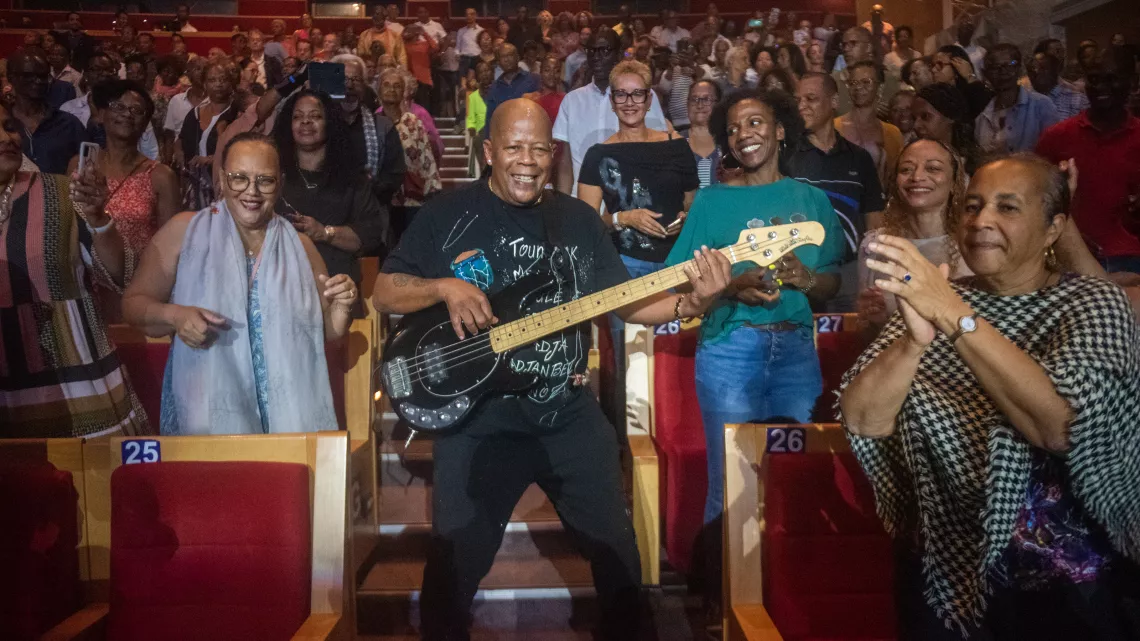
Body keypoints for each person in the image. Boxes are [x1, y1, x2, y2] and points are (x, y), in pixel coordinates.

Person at [372, 97, 731, 641]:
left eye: (540, 148)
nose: (528, 160)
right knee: (453, 568)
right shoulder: (446, 214)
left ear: (553, 153)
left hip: (565, 411)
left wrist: (693, 304)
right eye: (514, 147)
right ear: (488, 151)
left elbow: (625, 303)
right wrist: (442, 286)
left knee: (620, 564)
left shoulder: (579, 220)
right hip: (479, 423)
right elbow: (383, 291)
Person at [840, 153, 1140, 641]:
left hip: (1067, 584)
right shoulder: (940, 298)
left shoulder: (1092, 302)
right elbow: (862, 419)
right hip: (944, 570)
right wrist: (914, 343)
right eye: (974, 206)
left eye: (1007, 208)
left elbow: (1060, 428)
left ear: (1053, 228)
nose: (982, 221)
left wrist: (956, 318)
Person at [666, 89, 844, 595]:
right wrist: (732, 286)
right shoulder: (712, 200)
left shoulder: (811, 199)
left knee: (797, 478)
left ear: (781, 129)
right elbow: (677, 278)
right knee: (732, 481)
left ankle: (791, 596)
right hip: (730, 348)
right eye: (735, 128)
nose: (745, 134)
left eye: (756, 122)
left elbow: (832, 280)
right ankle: (722, 600)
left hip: (795, 354)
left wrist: (807, 280)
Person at [123, 132, 354, 435]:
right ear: (221, 178)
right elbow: (133, 304)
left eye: (265, 180)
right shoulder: (184, 231)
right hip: (208, 412)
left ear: (280, 183)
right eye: (239, 178)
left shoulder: (301, 247)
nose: (252, 191)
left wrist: (341, 307)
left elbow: (328, 332)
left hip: (291, 418)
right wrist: (175, 316)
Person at [0, 102, 150, 438]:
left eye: (9, 126)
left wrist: (98, 219)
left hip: (78, 387)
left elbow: (119, 273)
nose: (5, 137)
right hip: (5, 392)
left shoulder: (58, 193)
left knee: (97, 485)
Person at [788, 72, 885, 312]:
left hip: (850, 276)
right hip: (800, 274)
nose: (802, 106)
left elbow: (874, 223)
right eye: (798, 100)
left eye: (811, 99)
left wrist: (874, 273)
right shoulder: (784, 156)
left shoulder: (859, 159)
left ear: (833, 102)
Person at [273, 90, 386, 292]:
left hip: (335, 287)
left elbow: (370, 235)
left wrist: (324, 233)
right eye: (298, 117)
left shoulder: (352, 178)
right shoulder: (273, 175)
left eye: (315, 116)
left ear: (329, 123)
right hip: (280, 284)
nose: (305, 122)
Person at [857, 139, 971, 330]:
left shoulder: (972, 245)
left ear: (954, 182)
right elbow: (864, 333)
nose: (917, 177)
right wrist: (873, 320)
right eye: (906, 170)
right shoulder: (875, 245)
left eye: (933, 168)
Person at [1036, 64, 1140, 274]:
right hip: (1071, 256)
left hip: (1132, 257)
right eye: (1094, 80)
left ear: (1130, 84)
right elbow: (1036, 195)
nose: (1101, 87)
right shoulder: (1057, 136)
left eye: (1111, 79)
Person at [554, 28, 667, 196]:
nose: (597, 58)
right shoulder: (572, 101)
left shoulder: (639, 98)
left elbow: (658, 149)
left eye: (604, 50)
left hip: (630, 200)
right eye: (592, 51)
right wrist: (563, 202)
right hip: (583, 201)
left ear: (619, 54)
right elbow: (565, 161)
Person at [75, 80, 179, 255]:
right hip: (83, 274)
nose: (127, 114)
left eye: (137, 110)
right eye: (118, 107)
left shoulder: (160, 176)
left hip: (137, 276)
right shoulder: (81, 165)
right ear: (101, 115)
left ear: (146, 123)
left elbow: (171, 246)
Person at [379, 69, 441, 241]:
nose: (391, 90)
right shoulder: (373, 121)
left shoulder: (413, 123)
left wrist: (432, 193)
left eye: (397, 86)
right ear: (379, 90)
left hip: (411, 198)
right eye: (387, 85)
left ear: (403, 92)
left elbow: (427, 159)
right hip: (381, 200)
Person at [9, 49, 87, 175]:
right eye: (28, 75)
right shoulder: (4, 123)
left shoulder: (69, 123)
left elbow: (86, 168)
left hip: (59, 193)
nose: (38, 81)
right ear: (11, 77)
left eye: (43, 76)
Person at [178, 59, 240, 210]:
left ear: (231, 84)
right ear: (205, 84)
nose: (218, 84)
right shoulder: (194, 114)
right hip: (195, 185)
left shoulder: (237, 114)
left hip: (224, 187)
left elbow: (238, 152)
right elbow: (180, 141)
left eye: (223, 79)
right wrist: (182, 163)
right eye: (212, 80)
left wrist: (211, 159)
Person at [975, 44, 1059, 155]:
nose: (1003, 72)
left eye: (1010, 65)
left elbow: (1054, 151)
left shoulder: (1041, 105)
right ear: (986, 74)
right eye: (995, 67)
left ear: (1019, 69)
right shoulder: (983, 117)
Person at [834, 60, 905, 187]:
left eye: (866, 82)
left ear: (880, 87)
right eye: (853, 83)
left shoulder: (892, 133)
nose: (858, 87)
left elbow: (895, 177)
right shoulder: (834, 127)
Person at [914, 83, 980, 175]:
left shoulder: (976, 166)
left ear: (950, 116)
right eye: (914, 118)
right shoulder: (911, 162)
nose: (916, 125)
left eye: (925, 117)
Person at [833, 27, 900, 115]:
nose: (846, 49)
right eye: (844, 45)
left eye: (853, 43)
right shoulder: (834, 81)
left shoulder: (888, 79)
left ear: (869, 47)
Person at [481, 43, 540, 139]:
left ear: (517, 57)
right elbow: (490, 120)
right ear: (498, 62)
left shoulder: (534, 80)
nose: (507, 59)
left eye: (510, 55)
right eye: (503, 57)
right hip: (504, 140)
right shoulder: (494, 88)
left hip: (530, 138)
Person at [163, 56, 206, 164]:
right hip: (181, 160)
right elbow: (170, 134)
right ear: (188, 73)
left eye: (205, 69)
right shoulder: (176, 101)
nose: (202, 72)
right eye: (197, 68)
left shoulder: (214, 102)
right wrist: (168, 161)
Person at [1028, 52, 1090, 120]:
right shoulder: (1025, 101)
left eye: (1042, 68)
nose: (1037, 72)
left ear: (1055, 71)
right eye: (1032, 69)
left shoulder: (1077, 99)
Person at [659, 38, 704, 132]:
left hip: (695, 121)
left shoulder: (698, 69)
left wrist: (691, 65)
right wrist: (671, 67)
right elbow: (664, 89)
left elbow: (706, 81)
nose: (685, 55)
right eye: (682, 52)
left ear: (693, 53)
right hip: (675, 123)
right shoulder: (670, 71)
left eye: (688, 52)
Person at [685, 79, 723, 187]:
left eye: (706, 99)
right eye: (694, 99)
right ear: (687, 104)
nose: (700, 105)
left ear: (718, 105)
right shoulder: (674, 142)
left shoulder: (728, 142)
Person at [466, 61, 493, 176]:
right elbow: (471, 119)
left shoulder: (498, 92)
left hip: (496, 128)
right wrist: (472, 129)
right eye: (481, 72)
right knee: (480, 138)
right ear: (477, 76)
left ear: (492, 73)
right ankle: (485, 172)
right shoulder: (473, 97)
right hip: (481, 131)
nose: (485, 74)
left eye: (487, 71)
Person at [403, 21, 439, 108]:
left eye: (412, 30)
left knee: (423, 104)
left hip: (423, 78)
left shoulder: (423, 44)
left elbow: (435, 47)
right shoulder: (404, 45)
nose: (409, 32)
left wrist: (424, 33)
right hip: (410, 77)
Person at [456, 7, 484, 81]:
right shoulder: (460, 31)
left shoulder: (481, 31)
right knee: (463, 85)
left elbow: (484, 47)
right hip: (464, 60)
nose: (469, 16)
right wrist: (457, 55)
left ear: (476, 16)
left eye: (472, 14)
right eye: (467, 14)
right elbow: (457, 47)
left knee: (477, 84)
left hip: (478, 59)